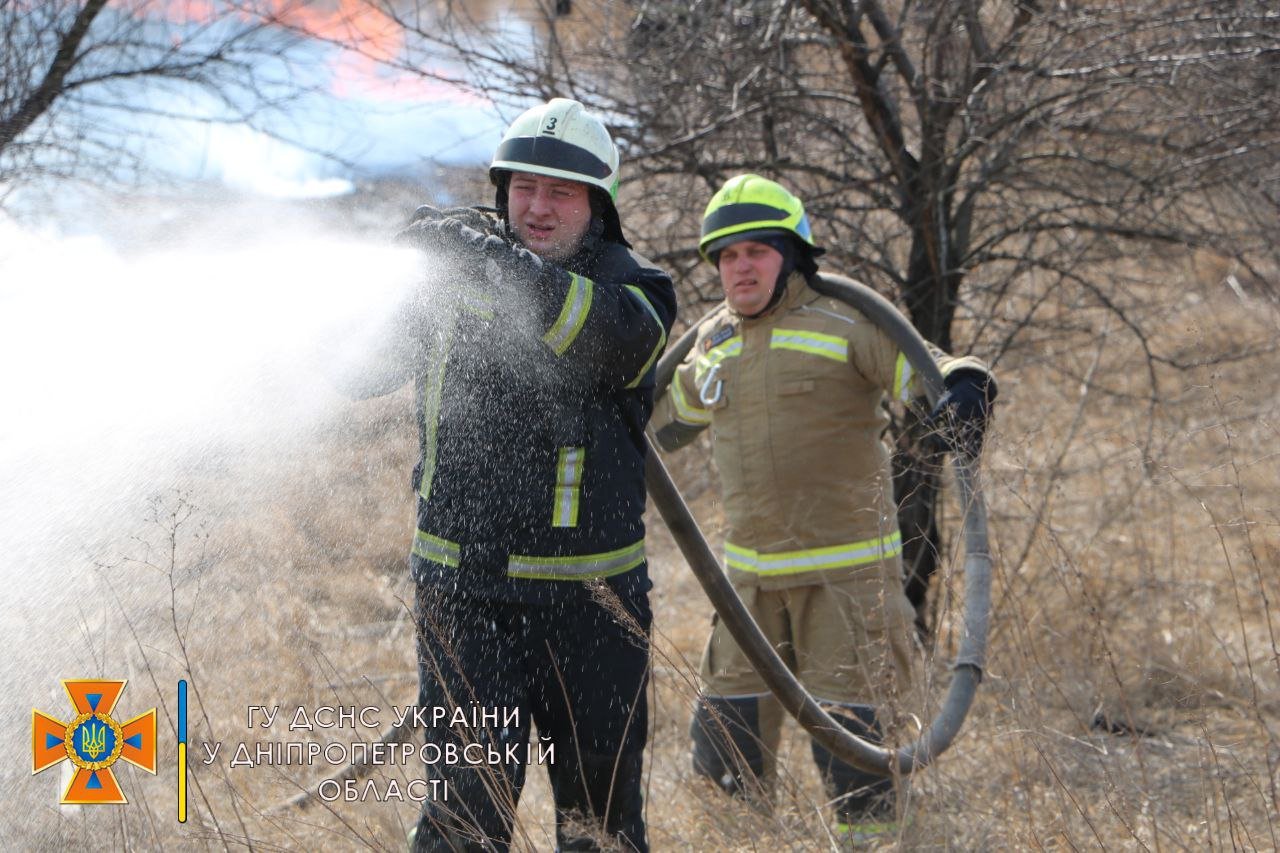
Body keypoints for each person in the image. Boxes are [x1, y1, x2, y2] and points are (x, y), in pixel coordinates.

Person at [344, 98, 675, 852]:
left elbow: (601, 342)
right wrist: (385, 276)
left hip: (592, 610)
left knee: (601, 824)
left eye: (561, 191)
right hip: (464, 600)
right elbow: (353, 373)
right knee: (465, 819)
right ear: (502, 190)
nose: (538, 206)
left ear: (598, 204)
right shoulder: (451, 276)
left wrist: (498, 263)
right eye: (524, 187)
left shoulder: (639, 292)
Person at [650, 174, 995, 840]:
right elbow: (661, 427)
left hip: (849, 587)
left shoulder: (844, 324)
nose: (740, 266)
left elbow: (925, 370)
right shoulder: (712, 343)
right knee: (726, 752)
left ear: (792, 254)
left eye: (756, 250)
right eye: (726, 255)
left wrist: (967, 381)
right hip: (747, 590)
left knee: (859, 774)